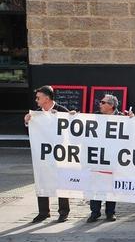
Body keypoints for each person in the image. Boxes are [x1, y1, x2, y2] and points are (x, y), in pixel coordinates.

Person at [26, 86, 71, 223]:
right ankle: (43, 212)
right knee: (42, 181)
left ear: (47, 98)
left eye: (38, 97)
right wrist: (27, 122)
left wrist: (73, 117)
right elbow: (29, 133)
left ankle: (63, 211)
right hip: (43, 155)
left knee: (61, 182)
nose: (36, 100)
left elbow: (73, 130)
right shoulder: (36, 114)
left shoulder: (63, 111)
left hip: (59, 154)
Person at [86, 94, 124, 223]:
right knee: (95, 184)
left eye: (103, 102)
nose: (100, 104)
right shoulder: (95, 116)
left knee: (111, 185)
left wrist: (132, 119)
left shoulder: (122, 118)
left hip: (113, 157)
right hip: (97, 156)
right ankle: (95, 212)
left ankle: (110, 213)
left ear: (111, 105)